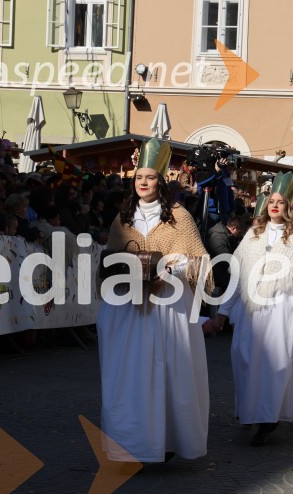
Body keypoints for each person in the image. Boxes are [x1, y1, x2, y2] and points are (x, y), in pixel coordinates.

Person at [97, 138, 212, 464]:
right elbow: (111, 258)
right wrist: (124, 270)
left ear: (160, 181)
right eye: (139, 178)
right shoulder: (123, 218)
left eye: (149, 177)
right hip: (128, 308)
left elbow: (198, 261)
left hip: (168, 307)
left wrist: (168, 271)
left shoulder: (179, 216)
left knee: (169, 372)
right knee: (130, 374)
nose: (143, 183)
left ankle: (170, 438)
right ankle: (131, 443)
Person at [213, 172, 293, 447]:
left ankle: (268, 418)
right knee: (245, 358)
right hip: (252, 309)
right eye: (271, 201)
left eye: (280, 202)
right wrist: (223, 311)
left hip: (281, 307)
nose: (275, 206)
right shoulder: (252, 235)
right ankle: (249, 411)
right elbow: (237, 276)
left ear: (289, 206)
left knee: (275, 363)